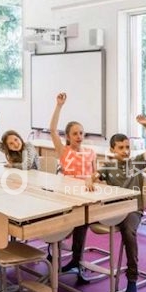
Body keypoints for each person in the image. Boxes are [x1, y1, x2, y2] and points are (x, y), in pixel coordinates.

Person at [96, 114, 146, 292]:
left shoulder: (136, 163)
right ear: (112, 149)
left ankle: (132, 278)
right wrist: (90, 179)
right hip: (114, 209)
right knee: (83, 220)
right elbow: (95, 175)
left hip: (132, 211)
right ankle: (77, 262)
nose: (125, 151)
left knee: (129, 233)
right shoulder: (109, 167)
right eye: (121, 148)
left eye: (127, 147)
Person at [49, 92, 98, 277]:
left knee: (81, 223)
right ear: (68, 137)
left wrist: (91, 178)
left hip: (85, 196)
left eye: (81, 133)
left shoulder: (91, 152)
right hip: (67, 195)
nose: (79, 136)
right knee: (62, 222)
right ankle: (53, 250)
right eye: (75, 134)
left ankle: (76, 260)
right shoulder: (64, 151)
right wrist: (59, 106)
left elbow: (96, 174)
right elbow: (53, 130)